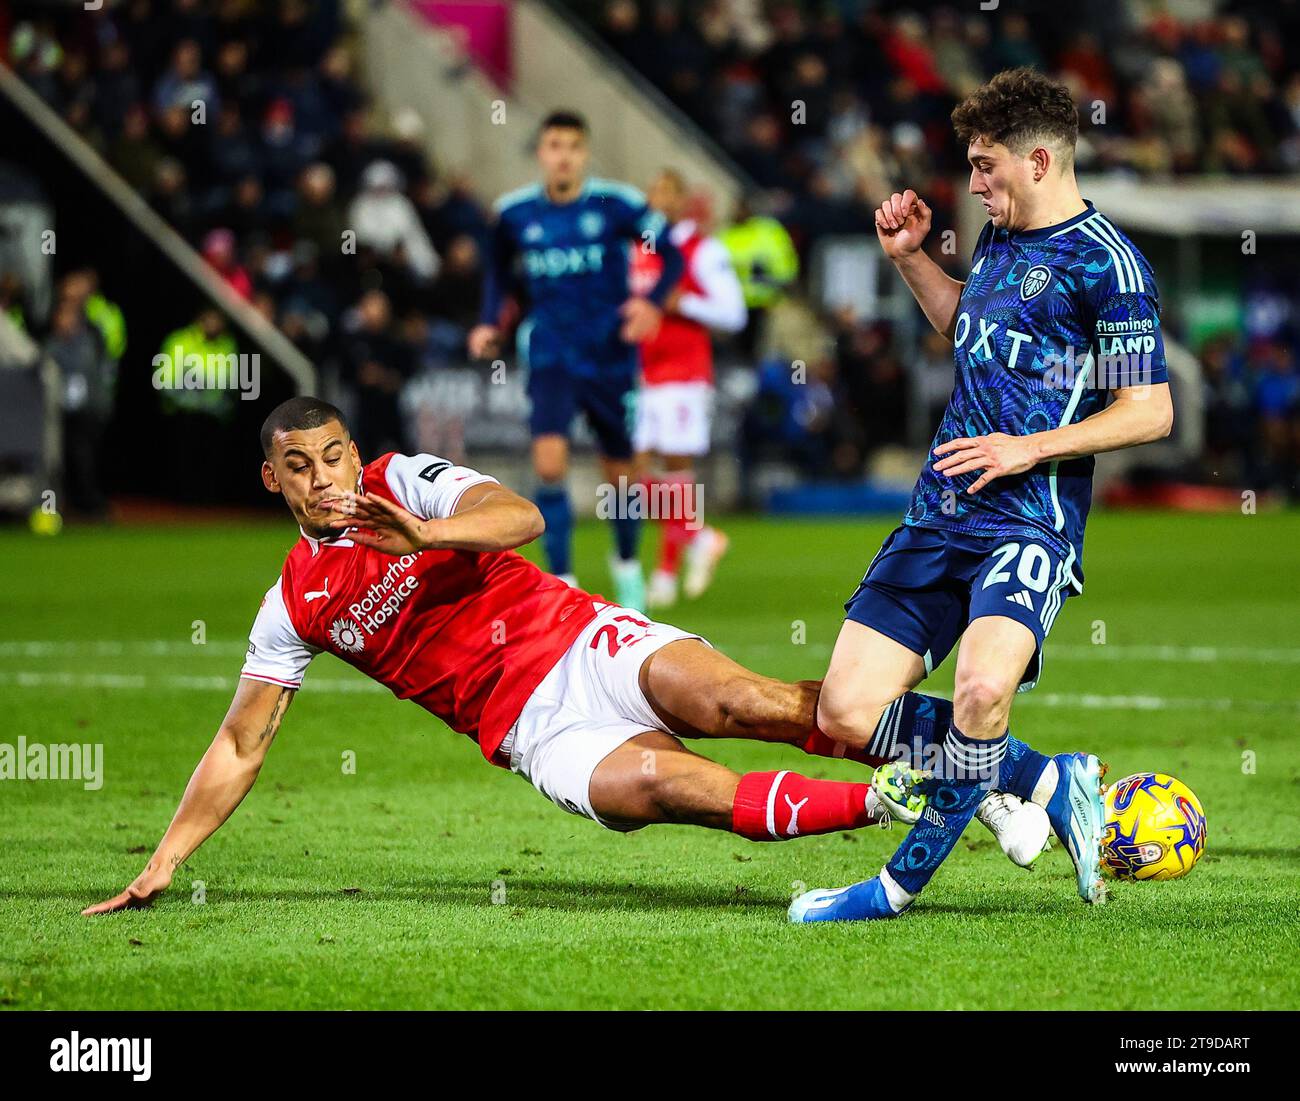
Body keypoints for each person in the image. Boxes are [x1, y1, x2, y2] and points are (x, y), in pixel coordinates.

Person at [82, 397, 1053, 917]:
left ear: (352, 450)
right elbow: (242, 743)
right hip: (531, 729)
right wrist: (164, 860)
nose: (326, 478)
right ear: (272, 480)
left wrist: (424, 533)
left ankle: (995, 771)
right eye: (300, 466)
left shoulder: (404, 479)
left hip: (580, 639)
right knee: (673, 793)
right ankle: (898, 798)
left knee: (742, 703)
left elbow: (523, 515)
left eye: (333, 454)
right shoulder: (289, 603)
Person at [791, 68, 1175, 924]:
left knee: (978, 697)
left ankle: (891, 888)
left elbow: (1147, 410)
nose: (971, 183)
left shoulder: (1107, 267)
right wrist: (911, 262)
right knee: (847, 711)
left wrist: (1025, 449)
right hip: (937, 514)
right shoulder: (1000, 239)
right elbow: (969, 323)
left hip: (1028, 524)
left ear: (1039, 161)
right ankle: (1046, 775)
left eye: (984, 166)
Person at [469, 111, 683, 610]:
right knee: (548, 465)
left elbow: (670, 253)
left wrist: (651, 304)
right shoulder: (514, 214)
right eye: (553, 145)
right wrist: (487, 322)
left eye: (571, 146)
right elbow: (497, 276)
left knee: (621, 475)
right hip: (550, 354)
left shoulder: (618, 204)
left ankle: (627, 566)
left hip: (610, 356)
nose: (562, 155)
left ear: (584, 154)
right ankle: (562, 583)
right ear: (541, 153)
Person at [629, 171, 746, 608]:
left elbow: (733, 314)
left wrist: (684, 303)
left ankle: (664, 572)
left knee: (674, 472)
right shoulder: (639, 250)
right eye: (652, 191)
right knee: (637, 473)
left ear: (681, 202)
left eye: (665, 193)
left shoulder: (701, 249)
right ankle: (698, 537)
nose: (656, 200)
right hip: (643, 372)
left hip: (683, 373)